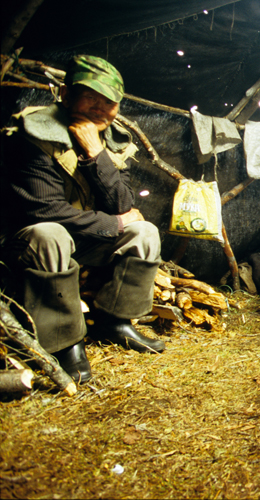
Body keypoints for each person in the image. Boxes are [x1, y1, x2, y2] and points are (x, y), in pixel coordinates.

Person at [0, 55, 165, 384]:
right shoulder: (34, 133)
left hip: (82, 240)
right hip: (27, 245)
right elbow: (44, 211)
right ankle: (64, 342)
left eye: (110, 102)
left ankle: (116, 322)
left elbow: (123, 204)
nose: (100, 109)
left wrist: (95, 154)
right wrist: (116, 224)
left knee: (144, 231)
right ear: (65, 93)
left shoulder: (112, 142)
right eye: (91, 97)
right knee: (51, 234)